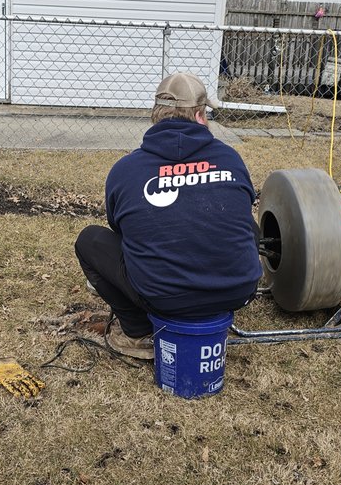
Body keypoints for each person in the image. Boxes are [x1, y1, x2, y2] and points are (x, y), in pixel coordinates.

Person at [75, 72, 262, 359]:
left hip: (162, 298)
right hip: (238, 293)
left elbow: (121, 230)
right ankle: (213, 302)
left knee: (91, 240)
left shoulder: (126, 170)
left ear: (156, 115)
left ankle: (137, 331)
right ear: (200, 116)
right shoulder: (230, 159)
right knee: (244, 218)